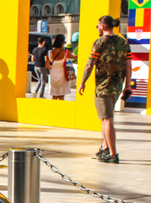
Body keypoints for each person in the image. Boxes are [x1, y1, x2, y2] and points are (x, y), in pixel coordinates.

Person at [77, 16, 132, 164]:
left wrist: (82, 81)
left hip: (104, 87)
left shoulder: (99, 42)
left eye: (97, 26)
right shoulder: (124, 42)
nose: (97, 28)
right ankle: (105, 147)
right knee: (104, 118)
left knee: (107, 120)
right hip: (117, 86)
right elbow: (128, 66)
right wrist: (127, 85)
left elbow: (90, 65)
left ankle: (113, 154)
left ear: (102, 26)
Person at [48, 34, 77, 101]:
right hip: (63, 75)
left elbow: (47, 65)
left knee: (54, 96)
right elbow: (75, 57)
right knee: (61, 96)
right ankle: (60, 110)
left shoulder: (50, 52)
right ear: (62, 43)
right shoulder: (66, 52)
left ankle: (53, 110)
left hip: (53, 75)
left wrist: (52, 68)